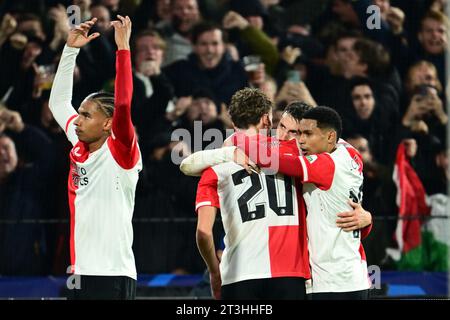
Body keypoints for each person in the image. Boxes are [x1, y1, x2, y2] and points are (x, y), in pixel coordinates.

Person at [180, 96, 372, 299]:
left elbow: (187, 166)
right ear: (269, 121)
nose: (286, 137)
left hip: (320, 277)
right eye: (282, 127)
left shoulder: (305, 158)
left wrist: (232, 147)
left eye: (298, 133)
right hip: (304, 277)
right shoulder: (301, 153)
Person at [233, 106, 372, 299]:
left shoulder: (324, 163)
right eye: (284, 128)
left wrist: (237, 140)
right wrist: (367, 220)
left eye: (305, 133)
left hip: (334, 281)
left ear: (330, 137)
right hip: (349, 275)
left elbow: (271, 159)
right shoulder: (347, 152)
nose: (299, 140)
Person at [48, 15, 142, 300]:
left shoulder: (121, 152)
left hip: (113, 275)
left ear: (107, 124)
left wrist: (123, 48)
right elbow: (58, 103)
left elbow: (123, 103)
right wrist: (70, 50)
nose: (77, 121)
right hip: (79, 272)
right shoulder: (79, 144)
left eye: (86, 115)